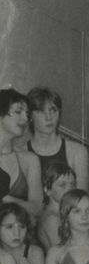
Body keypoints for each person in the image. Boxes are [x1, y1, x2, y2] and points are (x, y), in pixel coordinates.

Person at [24, 87, 89, 191]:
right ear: (30, 116)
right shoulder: (20, 151)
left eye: (53, 110)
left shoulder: (77, 152)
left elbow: (81, 199)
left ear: (59, 113)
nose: (48, 117)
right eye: (41, 111)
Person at [0, 88, 44, 220]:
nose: (25, 119)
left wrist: (5, 199)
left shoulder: (29, 159)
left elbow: (38, 209)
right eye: (18, 112)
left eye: (27, 114)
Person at [38, 162, 77, 250]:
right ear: (48, 190)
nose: (69, 189)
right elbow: (63, 255)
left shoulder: (62, 213)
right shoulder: (52, 219)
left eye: (73, 184)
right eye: (62, 185)